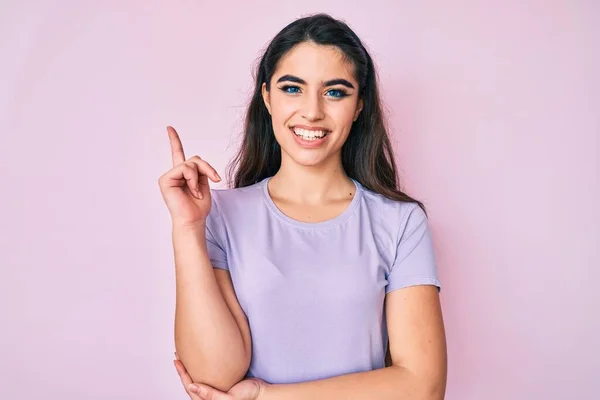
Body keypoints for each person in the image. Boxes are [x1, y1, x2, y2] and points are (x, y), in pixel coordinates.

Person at [158, 13, 447, 400]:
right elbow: (213, 377)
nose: (312, 111)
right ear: (267, 98)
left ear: (359, 105)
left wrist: (266, 397)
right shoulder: (218, 215)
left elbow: (422, 386)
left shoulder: (400, 222)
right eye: (293, 88)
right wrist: (187, 228)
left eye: (335, 92)